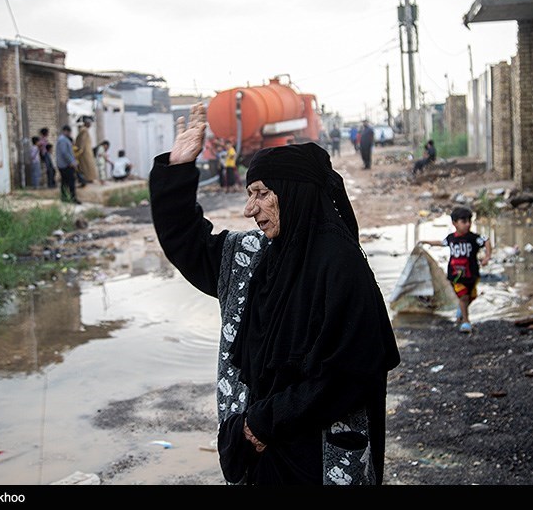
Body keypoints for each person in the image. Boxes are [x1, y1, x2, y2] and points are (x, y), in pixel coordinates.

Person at [149, 103, 400, 486]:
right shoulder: (254, 258)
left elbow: (347, 376)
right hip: (263, 458)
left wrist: (259, 425)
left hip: (315, 461)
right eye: (250, 194)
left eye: (262, 193)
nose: (250, 209)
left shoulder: (342, 268)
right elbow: (190, 245)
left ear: (293, 193)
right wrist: (179, 168)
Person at [419, 206, 492, 333]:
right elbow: (441, 242)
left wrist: (487, 257)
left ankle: (461, 310)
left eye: (469, 221)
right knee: (463, 297)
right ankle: (465, 321)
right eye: (464, 222)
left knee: (471, 296)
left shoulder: (473, 238)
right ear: (454, 223)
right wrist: (427, 242)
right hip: (456, 275)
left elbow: (486, 241)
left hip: (472, 274)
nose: (467, 224)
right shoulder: (451, 238)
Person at [56, 124, 81, 204]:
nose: (69, 134)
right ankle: (73, 198)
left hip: (63, 164)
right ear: (65, 131)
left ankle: (64, 198)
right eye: (69, 132)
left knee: (64, 182)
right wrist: (72, 162)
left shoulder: (62, 139)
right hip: (66, 165)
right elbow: (65, 153)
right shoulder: (63, 140)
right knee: (71, 181)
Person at [74, 116, 97, 188]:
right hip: (85, 152)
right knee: (86, 166)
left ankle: (89, 179)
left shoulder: (84, 130)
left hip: (86, 151)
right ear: (86, 123)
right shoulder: (84, 130)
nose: (90, 125)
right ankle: (87, 179)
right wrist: (80, 150)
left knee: (87, 166)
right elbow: (82, 142)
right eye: (89, 123)